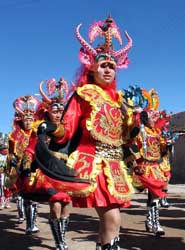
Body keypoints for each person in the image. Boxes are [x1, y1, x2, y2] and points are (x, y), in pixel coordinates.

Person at [41, 16, 135, 250]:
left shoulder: (119, 101)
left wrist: (135, 125)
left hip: (114, 166)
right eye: (103, 65)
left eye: (112, 66)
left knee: (110, 221)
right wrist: (52, 128)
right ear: (91, 67)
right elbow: (67, 130)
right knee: (112, 218)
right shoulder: (83, 94)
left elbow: (124, 136)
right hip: (92, 163)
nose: (107, 70)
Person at [22, 78, 72, 249]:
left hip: (66, 171)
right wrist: (27, 164)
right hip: (50, 172)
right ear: (47, 111)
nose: (58, 113)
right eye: (54, 110)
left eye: (61, 110)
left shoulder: (69, 128)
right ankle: (59, 242)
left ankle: (62, 238)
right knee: (56, 204)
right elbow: (30, 148)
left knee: (66, 205)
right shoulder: (41, 128)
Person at [130, 89, 169, 236]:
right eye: (152, 116)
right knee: (135, 194)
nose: (155, 118)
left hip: (155, 167)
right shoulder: (140, 131)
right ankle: (152, 222)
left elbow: (162, 151)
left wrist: (166, 146)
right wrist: (136, 163)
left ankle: (153, 222)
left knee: (156, 196)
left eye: (155, 116)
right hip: (143, 167)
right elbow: (132, 145)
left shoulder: (157, 132)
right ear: (145, 118)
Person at [6, 95, 41, 233]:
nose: (28, 122)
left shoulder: (38, 133)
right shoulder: (14, 135)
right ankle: (29, 224)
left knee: (34, 198)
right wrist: (12, 163)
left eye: (31, 119)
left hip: (36, 168)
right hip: (21, 169)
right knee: (26, 197)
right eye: (26, 119)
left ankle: (33, 223)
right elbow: (10, 153)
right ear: (21, 120)